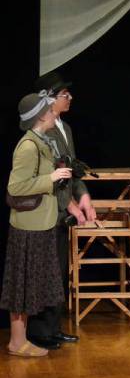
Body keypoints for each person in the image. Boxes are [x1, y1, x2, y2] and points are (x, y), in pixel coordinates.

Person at [26, 71, 95, 349]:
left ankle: (53, 327)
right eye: (65, 95)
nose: (70, 98)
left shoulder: (65, 128)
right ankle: (38, 331)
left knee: (58, 271)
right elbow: (48, 172)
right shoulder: (40, 131)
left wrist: (83, 195)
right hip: (45, 210)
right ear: (49, 99)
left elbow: (71, 167)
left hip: (61, 214)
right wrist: (69, 203)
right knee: (44, 271)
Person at [1, 92, 73, 357]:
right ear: (41, 116)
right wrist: (50, 178)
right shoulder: (28, 146)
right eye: (50, 110)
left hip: (39, 224)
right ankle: (17, 342)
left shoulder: (41, 142)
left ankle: (19, 341)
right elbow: (15, 187)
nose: (55, 113)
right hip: (28, 228)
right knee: (22, 286)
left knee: (30, 285)